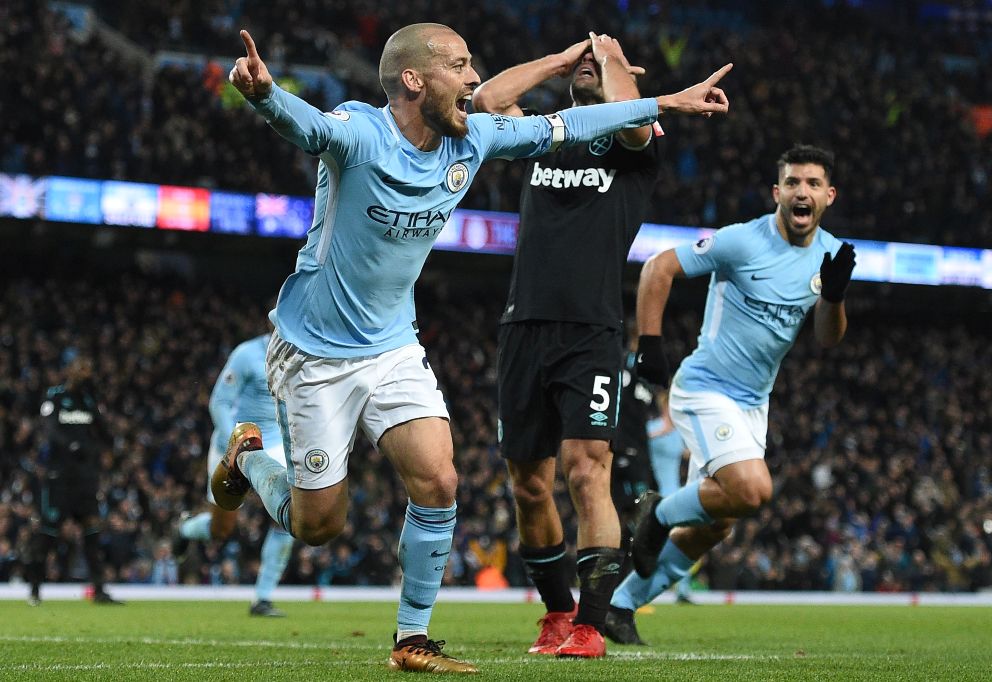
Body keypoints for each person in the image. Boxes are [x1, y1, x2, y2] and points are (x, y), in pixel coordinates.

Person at [217, 24, 732, 674]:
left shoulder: (475, 139)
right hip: (315, 352)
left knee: (440, 479)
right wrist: (265, 94)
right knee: (316, 523)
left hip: (393, 345)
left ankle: (412, 639)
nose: (471, 80)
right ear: (414, 80)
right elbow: (310, 127)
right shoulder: (359, 131)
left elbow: (568, 126)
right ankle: (248, 463)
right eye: (459, 67)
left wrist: (666, 103)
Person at [605, 145, 857, 645]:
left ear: (828, 196)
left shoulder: (830, 254)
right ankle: (655, 514)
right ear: (777, 192)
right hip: (705, 389)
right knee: (754, 490)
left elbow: (828, 338)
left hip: (753, 404)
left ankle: (621, 605)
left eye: (812, 184)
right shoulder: (744, 241)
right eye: (792, 182)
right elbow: (659, 267)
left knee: (715, 526)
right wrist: (649, 346)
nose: (801, 192)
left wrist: (833, 297)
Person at [472, 32, 671, 658]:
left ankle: (590, 624)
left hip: (592, 331)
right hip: (523, 325)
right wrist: (561, 60)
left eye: (600, 66)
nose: (589, 66)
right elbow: (484, 102)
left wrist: (610, 62)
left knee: (590, 471)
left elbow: (636, 118)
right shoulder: (541, 135)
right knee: (529, 484)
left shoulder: (633, 149)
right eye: (581, 64)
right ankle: (557, 614)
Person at [174, 333, 294, 617]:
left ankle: (262, 598)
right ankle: (184, 529)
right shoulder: (247, 354)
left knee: (290, 514)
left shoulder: (302, 353)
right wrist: (234, 442)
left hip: (274, 443)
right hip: (234, 439)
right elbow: (219, 402)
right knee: (222, 530)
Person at [27, 353, 121, 606]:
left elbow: (104, 431)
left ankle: (99, 591)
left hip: (85, 478)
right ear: (70, 370)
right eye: (81, 367)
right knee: (49, 532)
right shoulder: (55, 396)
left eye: (89, 368)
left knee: (92, 531)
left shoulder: (89, 400)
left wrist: (109, 447)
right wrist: (73, 445)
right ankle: (35, 590)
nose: (85, 372)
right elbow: (49, 429)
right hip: (60, 476)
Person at [645, 391, 696, 604]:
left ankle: (683, 589)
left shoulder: (679, 433)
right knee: (656, 543)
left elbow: (692, 452)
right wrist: (661, 433)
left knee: (682, 539)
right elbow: (636, 444)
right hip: (656, 494)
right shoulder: (652, 428)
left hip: (675, 491)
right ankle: (647, 585)